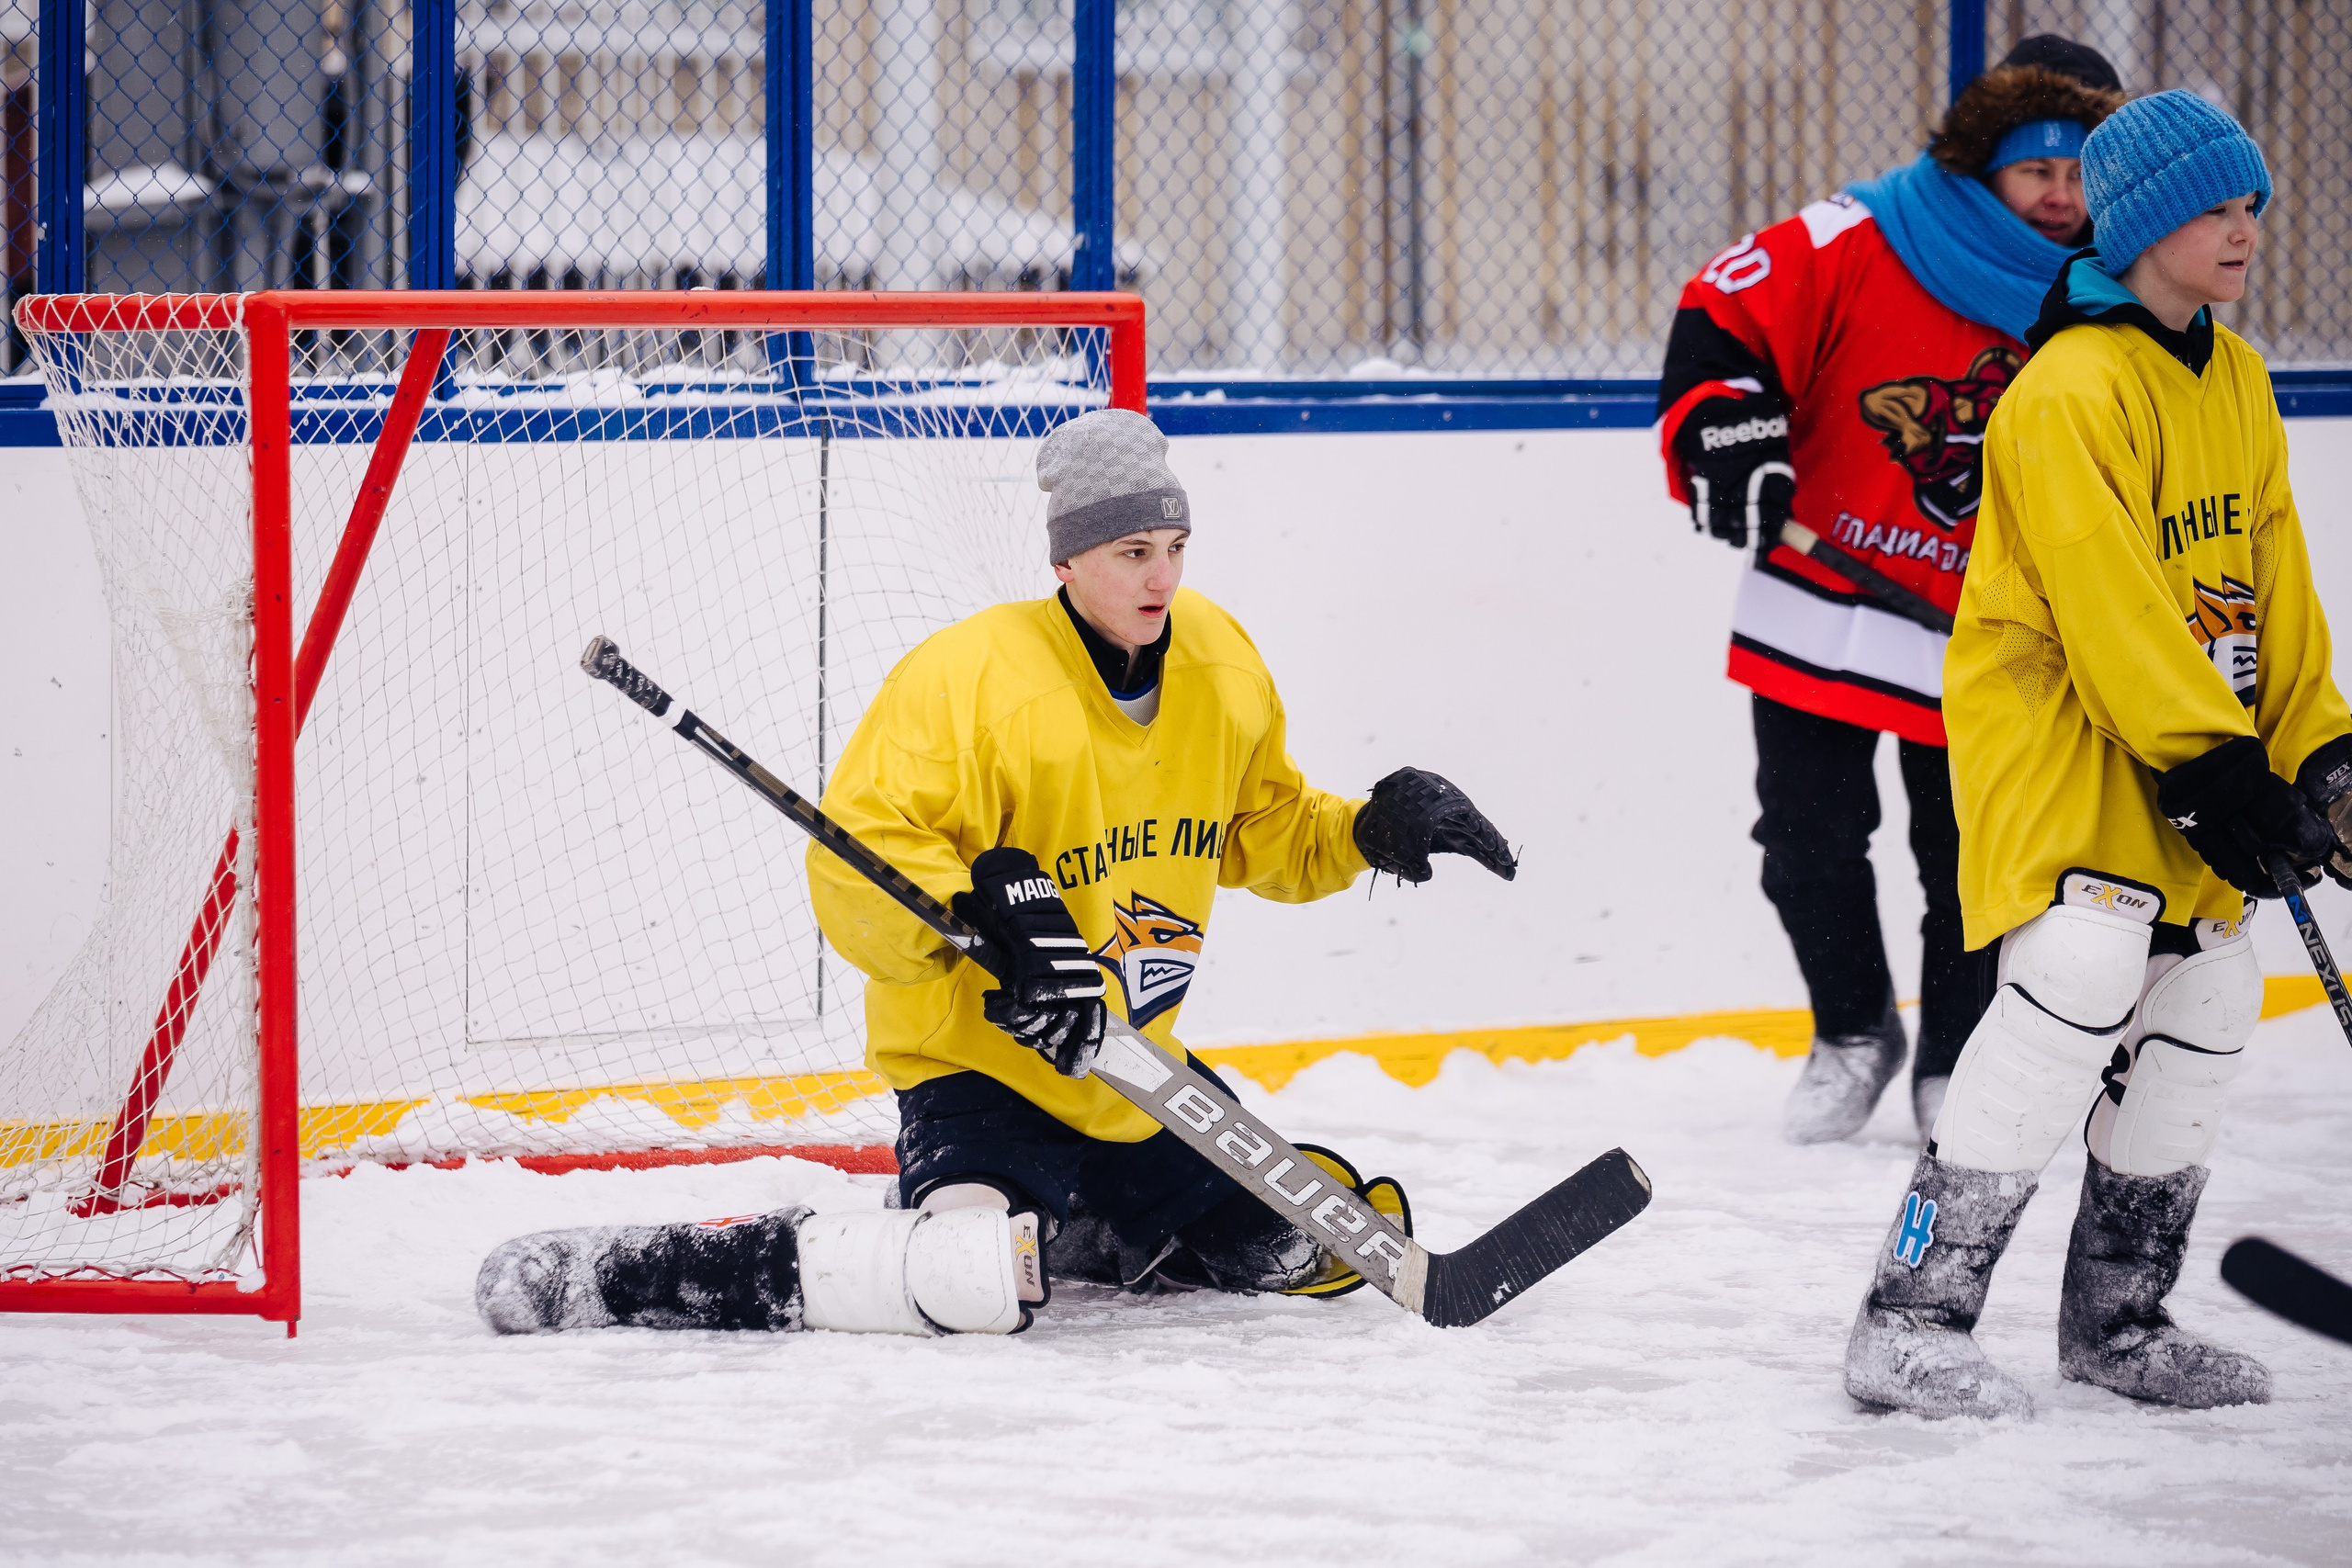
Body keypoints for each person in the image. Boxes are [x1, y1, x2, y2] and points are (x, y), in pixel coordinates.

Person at [474, 408, 1518, 1337]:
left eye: (1175, 548)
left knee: (1295, 1248)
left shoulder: (1219, 663)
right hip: (982, 1070)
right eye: (1131, 551)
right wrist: (976, 916)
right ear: (1066, 560)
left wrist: (1366, 832)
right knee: (967, 1281)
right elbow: (861, 861)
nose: (1162, 579)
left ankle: (1078, 1221)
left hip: (1132, 1072)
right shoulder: (970, 678)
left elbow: (1259, 826)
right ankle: (637, 1277)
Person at [1843, 91, 2352, 1419]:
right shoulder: (2067, 387)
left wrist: (2323, 753)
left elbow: (2273, 590)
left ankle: (2119, 1320)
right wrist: (2217, 764)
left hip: (2189, 746)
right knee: (2081, 969)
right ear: (2139, 225)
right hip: (2064, 741)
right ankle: (1910, 1314)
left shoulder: (2234, 377)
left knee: (2208, 994)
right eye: (2213, 208)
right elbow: (2104, 596)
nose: (2244, 231)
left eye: (2253, 205)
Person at [1655, 38, 2125, 1145]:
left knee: (1967, 855)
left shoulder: (2121, 284)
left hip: (1993, 625)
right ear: (1980, 166)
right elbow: (1722, 316)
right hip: (1824, 597)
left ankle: (1954, 1056)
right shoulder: (1860, 235)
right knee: (1805, 838)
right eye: (2034, 172)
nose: (2059, 199)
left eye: (2078, 174)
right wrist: (1730, 435)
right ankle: (1852, 1031)